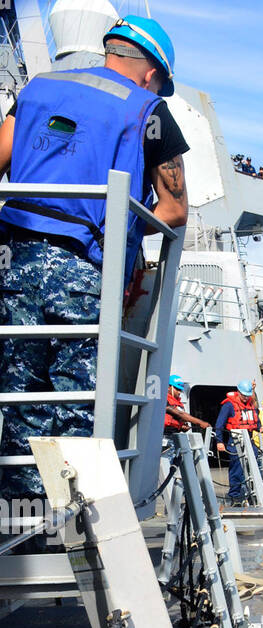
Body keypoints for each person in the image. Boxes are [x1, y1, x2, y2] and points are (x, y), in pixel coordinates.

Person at [0, 15, 188, 502]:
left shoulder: (38, 89)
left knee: (23, 396)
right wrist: (124, 230)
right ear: (152, 73)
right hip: (86, 270)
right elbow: (174, 209)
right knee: (78, 395)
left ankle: (26, 522)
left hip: (15, 261)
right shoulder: (148, 110)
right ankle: (77, 521)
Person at [215, 380, 258, 504]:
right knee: (236, 469)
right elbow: (219, 424)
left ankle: (251, 492)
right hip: (234, 441)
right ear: (238, 392)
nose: (245, 398)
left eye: (247, 395)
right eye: (244, 395)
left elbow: (255, 419)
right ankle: (235, 496)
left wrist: (259, 427)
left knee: (253, 466)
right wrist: (219, 441)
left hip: (249, 440)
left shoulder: (250, 404)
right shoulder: (229, 405)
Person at [163, 374, 210, 455]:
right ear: (169, 387)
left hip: (174, 436)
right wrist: (200, 422)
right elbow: (180, 414)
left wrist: (181, 427)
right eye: (177, 389)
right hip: (164, 437)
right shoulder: (164, 400)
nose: (179, 392)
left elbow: (179, 418)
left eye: (180, 390)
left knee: (176, 461)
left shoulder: (177, 402)